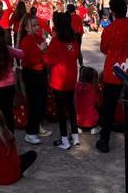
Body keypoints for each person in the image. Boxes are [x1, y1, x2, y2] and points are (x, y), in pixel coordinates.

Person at [96, 0, 128, 154]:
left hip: (113, 72)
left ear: (112, 11)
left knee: (108, 107)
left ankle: (104, 140)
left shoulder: (110, 28)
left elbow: (104, 49)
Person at [44, 12, 80, 150]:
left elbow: (48, 60)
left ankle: (65, 139)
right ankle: (75, 136)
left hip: (59, 80)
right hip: (71, 78)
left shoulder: (56, 41)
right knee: (71, 108)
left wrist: (43, 51)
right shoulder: (73, 40)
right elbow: (76, 54)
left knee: (61, 111)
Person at [18, 16, 49, 144]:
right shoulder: (26, 41)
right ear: (26, 28)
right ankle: (30, 132)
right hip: (31, 73)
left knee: (41, 101)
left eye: (37, 25)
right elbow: (29, 60)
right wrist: (40, 51)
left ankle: (37, 126)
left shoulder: (39, 38)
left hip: (41, 71)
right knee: (34, 102)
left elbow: (45, 56)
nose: (37, 27)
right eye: (33, 25)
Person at [75, 66, 100, 133]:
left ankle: (79, 128)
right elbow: (97, 102)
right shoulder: (92, 89)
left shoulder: (77, 86)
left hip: (78, 120)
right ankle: (93, 128)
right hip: (91, 120)